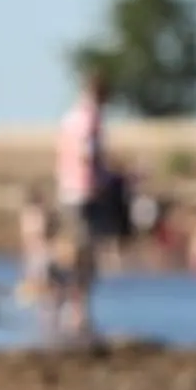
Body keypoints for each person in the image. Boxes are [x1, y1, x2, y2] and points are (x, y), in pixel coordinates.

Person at [51, 68, 112, 343]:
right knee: (85, 254)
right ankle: (77, 310)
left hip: (67, 192)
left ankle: (62, 303)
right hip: (86, 193)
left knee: (72, 250)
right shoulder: (91, 118)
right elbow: (89, 155)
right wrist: (103, 182)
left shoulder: (69, 116)